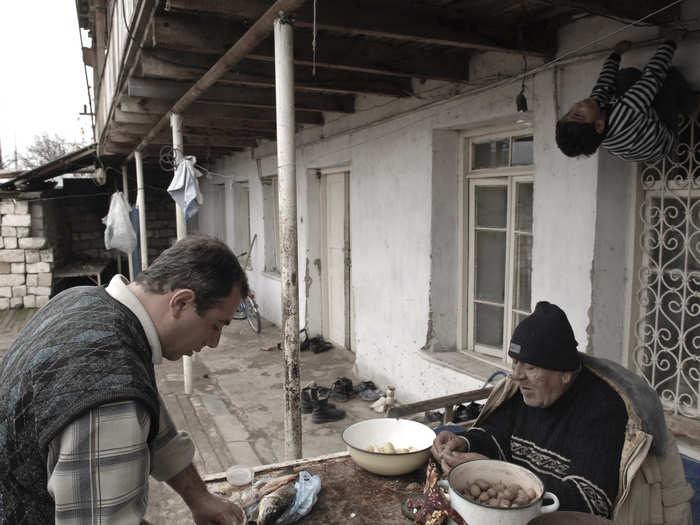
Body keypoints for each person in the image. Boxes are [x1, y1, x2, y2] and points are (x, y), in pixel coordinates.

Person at [0, 235, 248, 525]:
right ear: (181, 303)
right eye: (216, 325)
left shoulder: (82, 299)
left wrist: (199, 497)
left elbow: (152, 420)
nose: (214, 342)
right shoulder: (107, 389)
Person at [432, 301, 693, 524]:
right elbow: (496, 434)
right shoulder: (524, 391)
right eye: (515, 363)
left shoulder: (603, 411)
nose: (516, 375)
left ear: (565, 373)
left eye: (531, 367)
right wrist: (463, 443)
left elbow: (588, 502)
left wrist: (493, 474)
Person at [556, 30, 697, 163]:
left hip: (640, 138)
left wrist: (616, 54)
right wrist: (671, 40)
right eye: (579, 114)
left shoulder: (597, 126)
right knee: (667, 78)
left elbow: (603, 86)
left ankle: (647, 109)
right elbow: (652, 77)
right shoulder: (625, 113)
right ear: (599, 125)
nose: (577, 105)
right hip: (664, 140)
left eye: (570, 112)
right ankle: (690, 105)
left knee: (625, 76)